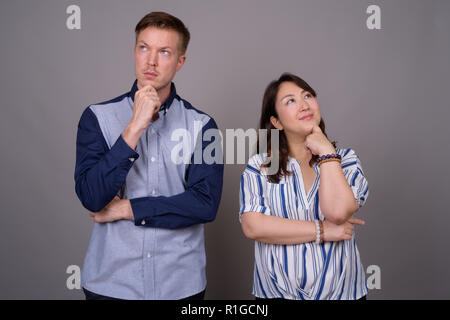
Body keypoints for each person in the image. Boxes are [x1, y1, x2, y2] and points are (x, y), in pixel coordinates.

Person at [74, 12, 224, 300]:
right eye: (144, 48)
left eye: (164, 52)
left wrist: (126, 209)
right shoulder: (96, 117)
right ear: (134, 51)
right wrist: (134, 127)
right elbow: (91, 197)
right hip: (110, 283)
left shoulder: (203, 126)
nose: (150, 61)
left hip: (180, 285)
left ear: (180, 61)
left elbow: (205, 204)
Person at [239, 73, 369, 300]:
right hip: (277, 294)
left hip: (341, 293)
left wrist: (327, 153)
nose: (303, 104)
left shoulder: (346, 160)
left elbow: (337, 212)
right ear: (276, 122)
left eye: (307, 95)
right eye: (290, 100)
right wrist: (323, 230)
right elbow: (254, 227)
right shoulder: (260, 166)